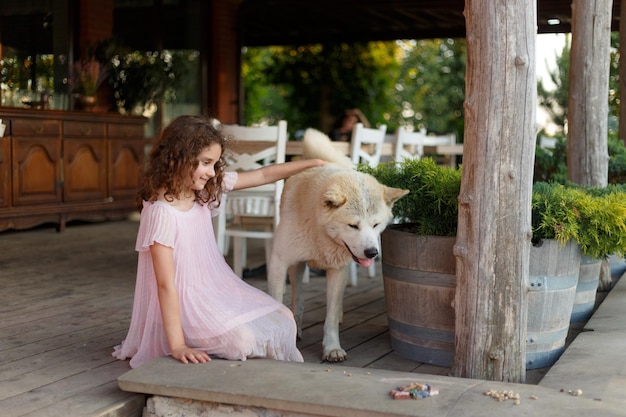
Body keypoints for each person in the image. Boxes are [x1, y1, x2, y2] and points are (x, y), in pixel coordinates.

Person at [113, 115, 324, 368]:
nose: (212, 172)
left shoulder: (203, 191)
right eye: (205, 163)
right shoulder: (162, 213)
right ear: (178, 157)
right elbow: (165, 285)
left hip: (212, 292)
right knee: (243, 341)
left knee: (284, 317)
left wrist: (313, 163)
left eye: (214, 164)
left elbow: (263, 174)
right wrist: (178, 345)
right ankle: (190, 335)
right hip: (184, 305)